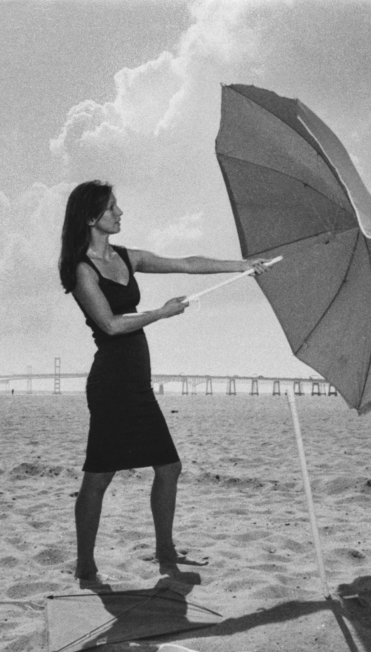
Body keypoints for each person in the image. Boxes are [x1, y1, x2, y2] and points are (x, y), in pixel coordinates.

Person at [58, 180, 269, 587]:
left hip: (136, 383)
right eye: (112, 209)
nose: (120, 214)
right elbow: (110, 324)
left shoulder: (126, 257)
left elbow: (185, 264)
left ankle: (165, 551)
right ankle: (85, 565)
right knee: (99, 476)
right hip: (111, 384)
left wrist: (241, 266)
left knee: (169, 467)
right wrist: (161, 313)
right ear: (90, 217)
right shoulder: (81, 268)